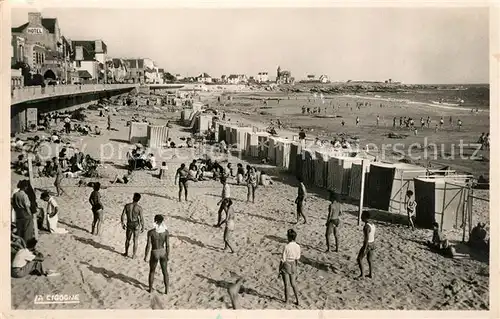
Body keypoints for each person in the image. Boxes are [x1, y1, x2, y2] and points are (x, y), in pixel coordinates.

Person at [144, 214, 170, 294]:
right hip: (162, 251)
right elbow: (168, 246)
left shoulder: (151, 232)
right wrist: (168, 255)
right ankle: (166, 290)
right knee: (165, 272)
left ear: (155, 221)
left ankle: (150, 289)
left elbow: (148, 245)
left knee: (152, 271)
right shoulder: (166, 232)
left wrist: (146, 256)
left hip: (154, 252)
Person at [279, 229, 301, 305]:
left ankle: (287, 300)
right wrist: (296, 268)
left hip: (286, 265)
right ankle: (298, 300)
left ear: (289, 237)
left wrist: (279, 269)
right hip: (293, 264)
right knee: (293, 283)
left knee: (286, 284)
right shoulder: (298, 246)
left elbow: (283, 259)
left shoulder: (286, 246)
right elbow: (297, 259)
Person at [121, 193, 145, 258]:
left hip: (129, 223)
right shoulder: (139, 208)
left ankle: (126, 252)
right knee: (135, 240)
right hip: (136, 224)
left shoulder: (127, 206)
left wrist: (122, 223)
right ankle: (134, 255)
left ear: (133, 198)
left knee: (127, 239)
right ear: (139, 199)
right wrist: (143, 226)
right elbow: (141, 218)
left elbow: (122, 215)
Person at [12, 180, 35, 244]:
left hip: (18, 212)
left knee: (19, 228)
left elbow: (13, 204)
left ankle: (19, 242)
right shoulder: (24, 195)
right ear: (25, 187)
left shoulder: (15, 194)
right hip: (24, 212)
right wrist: (30, 214)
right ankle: (26, 243)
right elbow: (27, 206)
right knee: (27, 230)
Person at [357, 211, 375, 279]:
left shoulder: (366, 227)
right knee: (370, 260)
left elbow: (366, 239)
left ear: (365, 217)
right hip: (373, 243)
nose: (361, 217)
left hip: (368, 244)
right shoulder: (372, 224)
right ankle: (371, 274)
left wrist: (364, 248)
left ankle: (362, 275)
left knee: (359, 259)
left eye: (362, 216)